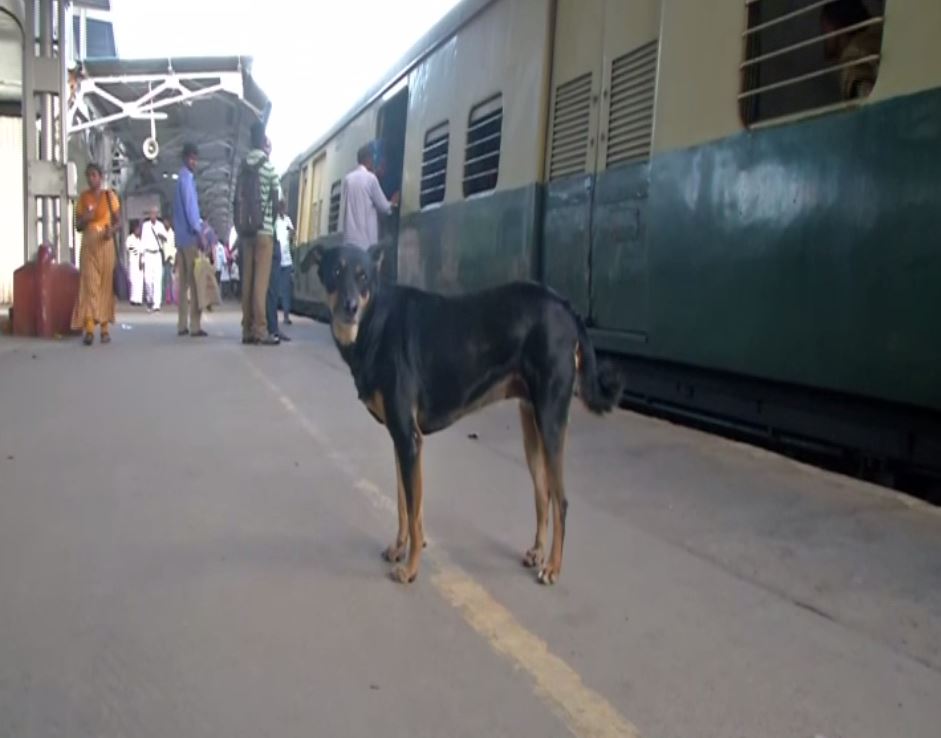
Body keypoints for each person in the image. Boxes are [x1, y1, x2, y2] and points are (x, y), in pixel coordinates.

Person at [236, 123, 281, 345]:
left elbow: (237, 199)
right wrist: (270, 221)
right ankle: (260, 330)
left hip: (246, 233)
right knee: (260, 285)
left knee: (247, 281)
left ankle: (246, 329)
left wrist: (240, 226)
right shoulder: (269, 167)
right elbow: (277, 199)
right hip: (264, 232)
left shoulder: (243, 166)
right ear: (263, 141)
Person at [71, 162, 120, 345]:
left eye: (94, 175)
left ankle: (105, 328)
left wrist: (111, 232)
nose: (92, 179)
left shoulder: (110, 197)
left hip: (105, 244)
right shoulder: (83, 199)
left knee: (105, 287)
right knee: (90, 285)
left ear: (100, 177)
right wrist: (85, 219)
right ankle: (90, 327)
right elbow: (77, 226)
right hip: (88, 245)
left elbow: (118, 222)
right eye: (89, 176)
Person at [172, 142, 207, 337]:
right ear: (186, 158)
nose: (195, 162)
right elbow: (191, 209)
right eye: (192, 158)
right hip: (190, 238)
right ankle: (195, 325)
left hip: (180, 240)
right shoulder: (187, 180)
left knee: (183, 282)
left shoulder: (179, 180)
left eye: (196, 158)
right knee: (195, 284)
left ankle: (181, 325)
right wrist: (199, 232)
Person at [339, 142, 399, 250]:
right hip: (366, 245)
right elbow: (385, 208)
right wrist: (393, 202)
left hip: (349, 244)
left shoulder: (348, 179)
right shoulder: (371, 179)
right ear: (369, 159)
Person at [821, 0, 882, 100]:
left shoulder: (854, 58)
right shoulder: (881, 39)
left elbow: (867, 103)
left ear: (835, 29)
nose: (824, 37)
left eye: (825, 28)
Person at [140, 207, 167, 312]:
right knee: (147, 280)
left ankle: (156, 304)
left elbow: (165, 239)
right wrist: (141, 258)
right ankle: (149, 299)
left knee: (157, 280)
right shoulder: (146, 226)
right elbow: (142, 241)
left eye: (155, 213)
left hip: (157, 254)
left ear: (157, 214)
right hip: (147, 254)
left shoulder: (160, 226)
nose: (153, 215)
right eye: (151, 213)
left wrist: (161, 236)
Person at [274, 199, 294, 325]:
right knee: (275, 289)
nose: (283, 209)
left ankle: (286, 315)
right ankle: (274, 314)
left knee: (286, 289)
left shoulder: (287, 220)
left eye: (284, 207)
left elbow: (292, 232)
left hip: (287, 260)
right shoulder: (274, 221)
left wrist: (291, 234)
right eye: (281, 207)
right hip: (276, 259)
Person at [162, 217, 177, 306]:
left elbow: (175, 248)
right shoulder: (162, 233)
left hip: (171, 260)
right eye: (164, 222)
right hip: (163, 260)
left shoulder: (173, 234)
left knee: (171, 279)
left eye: (166, 222)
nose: (165, 224)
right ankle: (166, 297)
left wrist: (171, 257)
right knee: (165, 279)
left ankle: (171, 297)